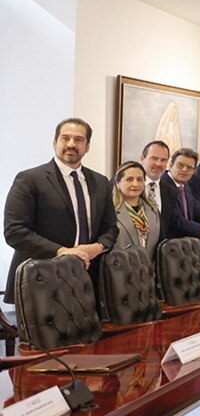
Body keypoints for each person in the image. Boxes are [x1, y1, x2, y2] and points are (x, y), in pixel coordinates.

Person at [4, 118, 118, 304]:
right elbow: (15, 232)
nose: (71, 144)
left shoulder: (100, 182)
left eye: (79, 139)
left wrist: (97, 248)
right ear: (55, 143)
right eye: (65, 138)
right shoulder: (29, 179)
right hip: (42, 279)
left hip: (88, 278)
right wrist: (62, 251)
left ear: (87, 146)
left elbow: (111, 227)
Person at [111, 161, 161, 262]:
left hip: (149, 272)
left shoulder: (153, 209)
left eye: (140, 179)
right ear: (118, 183)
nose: (136, 184)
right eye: (129, 179)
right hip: (120, 272)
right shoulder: (110, 211)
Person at [139, 140, 170, 213]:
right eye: (154, 158)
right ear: (142, 159)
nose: (158, 164)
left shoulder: (170, 192)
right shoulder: (127, 185)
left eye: (163, 160)